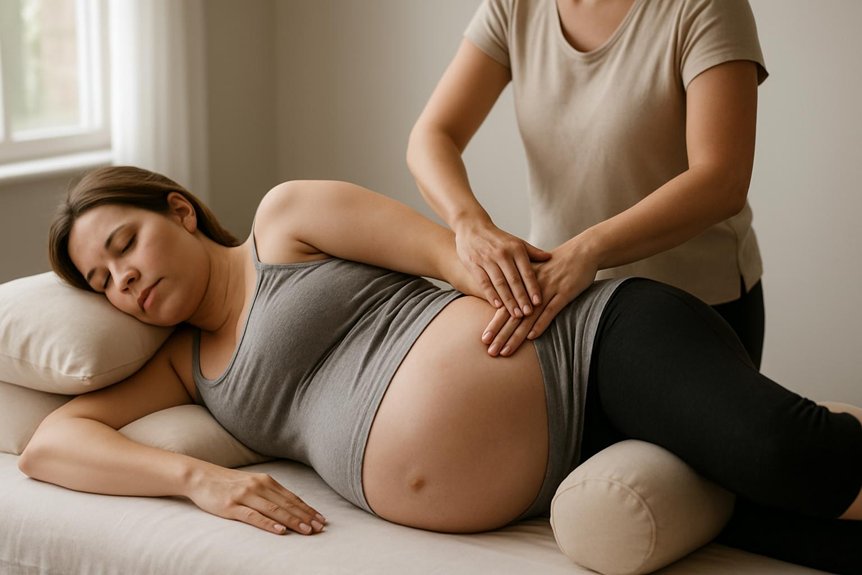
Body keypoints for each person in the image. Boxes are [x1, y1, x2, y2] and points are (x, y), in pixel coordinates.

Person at [19, 167, 861, 574]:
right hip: (569, 459)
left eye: (123, 245)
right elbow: (51, 444)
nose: (121, 280)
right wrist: (197, 480)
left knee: (799, 457)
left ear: (177, 208)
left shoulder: (285, 222)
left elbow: (457, 257)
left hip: (591, 349)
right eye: (102, 281)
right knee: (812, 544)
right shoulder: (184, 369)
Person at [407, 0, 769, 367]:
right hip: (569, 307)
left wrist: (588, 251)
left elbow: (723, 180)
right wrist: (470, 224)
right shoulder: (515, 6)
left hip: (696, 306)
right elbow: (432, 135)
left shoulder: (707, 7)